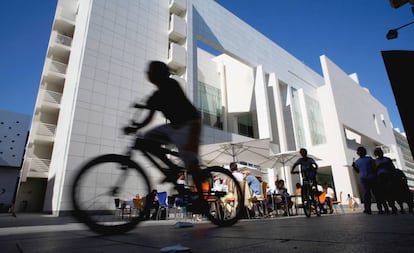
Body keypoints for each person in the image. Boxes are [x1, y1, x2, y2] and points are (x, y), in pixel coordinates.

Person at [123, 60, 202, 178]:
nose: (147, 73)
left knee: (188, 158)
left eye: (150, 71)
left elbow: (154, 110)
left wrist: (136, 126)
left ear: (157, 73)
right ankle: (172, 168)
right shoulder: (156, 94)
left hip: (190, 124)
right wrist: (137, 126)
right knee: (148, 138)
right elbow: (149, 116)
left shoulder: (171, 84)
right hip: (175, 126)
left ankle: (200, 193)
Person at [352, 146, 378, 215]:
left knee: (375, 193)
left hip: (371, 178)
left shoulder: (369, 159)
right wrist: (354, 166)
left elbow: (374, 167)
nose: (359, 152)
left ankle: (380, 208)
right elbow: (357, 171)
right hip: (364, 179)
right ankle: (367, 209)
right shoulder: (357, 161)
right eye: (359, 151)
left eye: (360, 151)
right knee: (367, 194)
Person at [373, 147, 398, 214]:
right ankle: (386, 208)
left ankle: (392, 207)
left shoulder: (387, 159)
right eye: (377, 152)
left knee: (390, 193)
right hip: (380, 178)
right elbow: (374, 170)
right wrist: (378, 167)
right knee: (383, 194)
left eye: (380, 152)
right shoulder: (375, 161)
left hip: (388, 177)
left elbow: (393, 168)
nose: (379, 153)